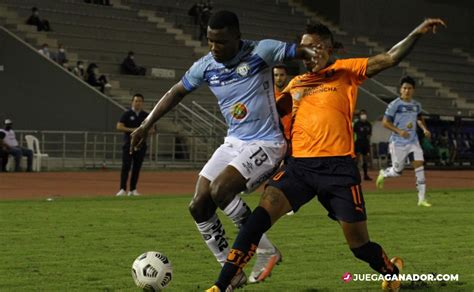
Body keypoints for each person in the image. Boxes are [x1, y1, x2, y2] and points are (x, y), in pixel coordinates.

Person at [207, 18, 446, 292]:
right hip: (299, 170)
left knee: (359, 246)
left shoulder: (345, 71)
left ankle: (391, 272)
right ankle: (221, 285)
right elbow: (268, 116)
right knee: (259, 219)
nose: (308, 52)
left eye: (314, 47)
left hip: (339, 170)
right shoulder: (296, 84)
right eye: (303, 47)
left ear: (328, 49)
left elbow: (389, 58)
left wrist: (416, 32)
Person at [129, 10, 319, 288]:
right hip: (234, 142)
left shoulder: (261, 51)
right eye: (209, 41)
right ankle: (233, 271)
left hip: (267, 142)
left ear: (237, 38)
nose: (213, 48)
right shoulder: (206, 66)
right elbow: (176, 92)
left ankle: (265, 250)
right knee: (198, 205)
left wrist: (317, 55)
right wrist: (146, 125)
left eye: (220, 42)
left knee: (221, 190)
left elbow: (301, 52)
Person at [376, 76, 432, 207]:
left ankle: (422, 199)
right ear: (400, 90)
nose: (407, 91)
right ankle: (384, 173)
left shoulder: (416, 105)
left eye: (409, 88)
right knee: (397, 172)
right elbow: (385, 122)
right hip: (398, 142)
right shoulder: (394, 105)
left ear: (413, 90)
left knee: (419, 166)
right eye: (404, 88)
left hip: (413, 142)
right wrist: (398, 131)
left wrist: (424, 129)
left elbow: (418, 119)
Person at [116, 94, 150, 196]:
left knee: (137, 168)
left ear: (142, 103)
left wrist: (143, 132)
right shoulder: (127, 114)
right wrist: (134, 130)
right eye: (136, 101)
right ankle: (122, 189)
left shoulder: (145, 115)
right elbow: (119, 126)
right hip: (128, 145)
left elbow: (153, 129)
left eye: (140, 101)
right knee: (125, 166)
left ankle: (133, 189)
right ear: (132, 102)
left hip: (140, 145)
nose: (138, 103)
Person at [273, 64, 291, 141]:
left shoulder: (293, 94)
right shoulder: (267, 96)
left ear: (286, 76)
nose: (279, 78)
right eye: (276, 75)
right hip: (274, 138)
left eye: (282, 75)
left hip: (291, 138)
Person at [354, 109, 373, 180]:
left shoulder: (368, 124)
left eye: (364, 114)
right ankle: (355, 175)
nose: (363, 115)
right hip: (358, 142)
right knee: (357, 159)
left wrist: (368, 143)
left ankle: (365, 175)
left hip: (365, 143)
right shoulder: (357, 124)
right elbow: (353, 133)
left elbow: (369, 135)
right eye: (362, 114)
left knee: (365, 159)